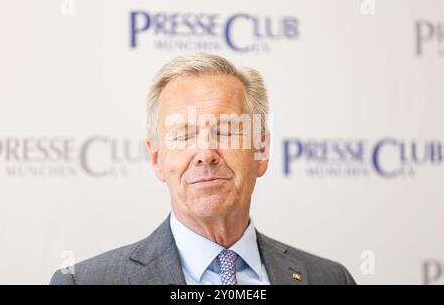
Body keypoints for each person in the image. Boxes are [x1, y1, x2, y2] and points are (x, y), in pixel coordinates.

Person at [50, 53, 356, 285]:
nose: (205, 154)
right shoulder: (85, 282)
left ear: (261, 151)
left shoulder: (330, 278)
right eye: (183, 135)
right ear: (156, 159)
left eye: (225, 130)